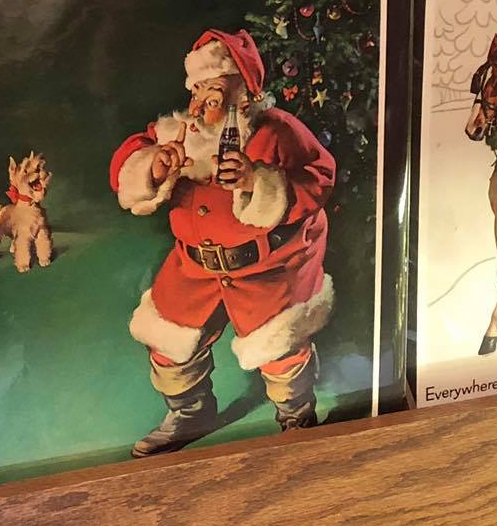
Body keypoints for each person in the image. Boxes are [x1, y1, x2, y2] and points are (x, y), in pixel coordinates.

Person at [108, 29, 337, 457]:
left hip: (265, 270)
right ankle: (191, 413)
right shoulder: (176, 132)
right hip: (194, 267)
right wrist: (154, 167)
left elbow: (319, 176)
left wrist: (258, 182)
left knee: (280, 350)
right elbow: (127, 163)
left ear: (245, 92)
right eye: (196, 89)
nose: (201, 101)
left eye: (213, 89)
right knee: (169, 340)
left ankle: (296, 419)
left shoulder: (278, 131)